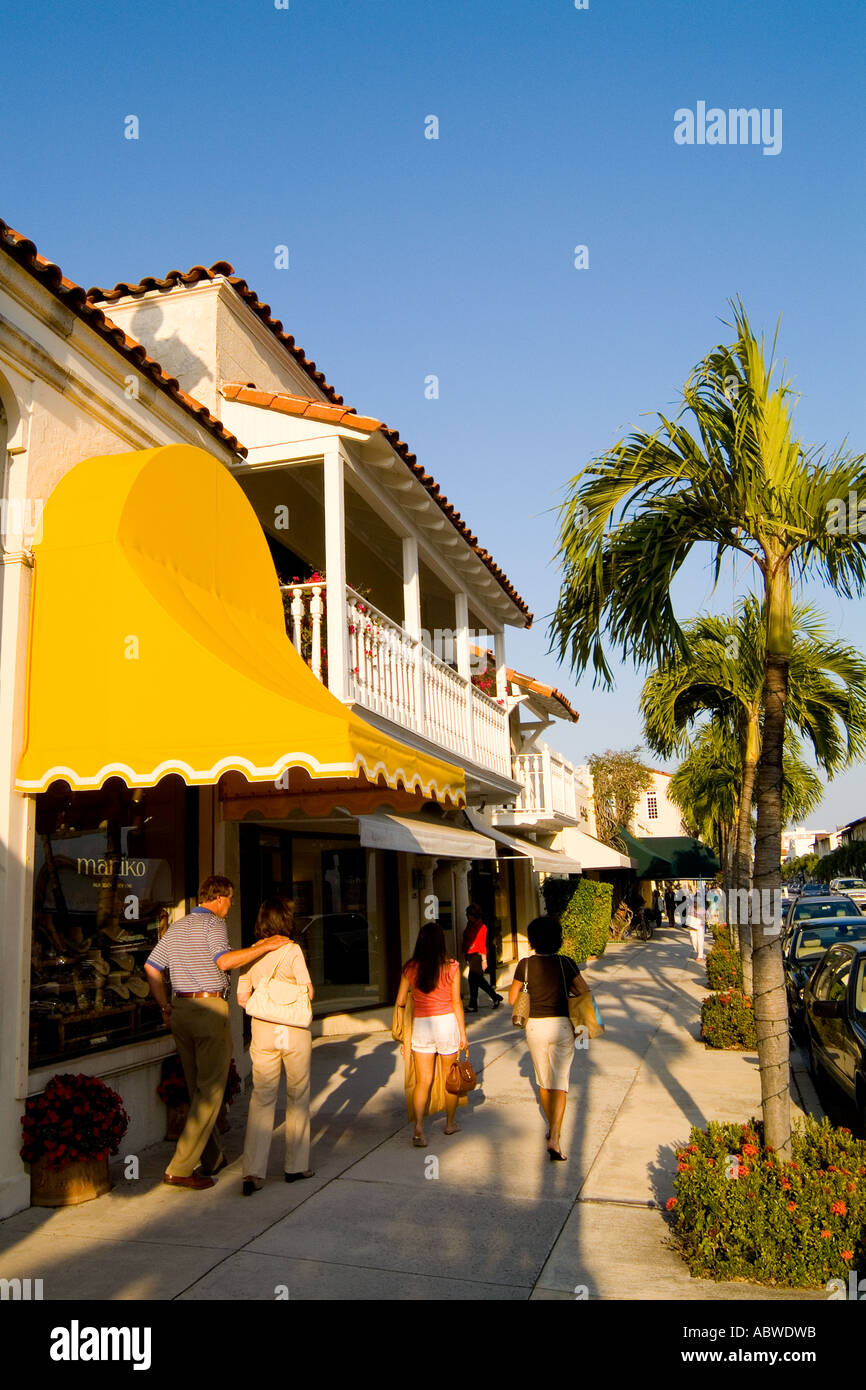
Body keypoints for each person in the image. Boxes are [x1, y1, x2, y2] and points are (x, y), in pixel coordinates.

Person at [144, 875, 291, 1190]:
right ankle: (180, 1168)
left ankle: (212, 1159)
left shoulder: (179, 926)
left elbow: (151, 967)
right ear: (220, 898)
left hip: (180, 1009)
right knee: (211, 1090)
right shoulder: (213, 925)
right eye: (231, 899)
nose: (232, 905)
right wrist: (263, 946)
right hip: (208, 1009)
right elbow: (224, 961)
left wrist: (163, 1006)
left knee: (199, 1087)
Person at [237, 897, 314, 1195]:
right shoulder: (293, 950)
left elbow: (243, 997)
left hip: (264, 1030)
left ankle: (253, 1172)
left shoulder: (253, 952)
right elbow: (308, 990)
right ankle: (295, 1166)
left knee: (262, 1097)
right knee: (298, 1096)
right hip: (293, 1030)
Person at [507, 915, 590, 1161]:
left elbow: (512, 999)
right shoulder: (567, 963)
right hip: (562, 1026)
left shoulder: (525, 965)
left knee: (543, 1082)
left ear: (532, 940)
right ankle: (555, 1135)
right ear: (558, 938)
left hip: (535, 1027)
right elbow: (583, 991)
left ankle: (550, 1127)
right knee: (560, 1082)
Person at [394, 922, 468, 1146]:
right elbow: (456, 1002)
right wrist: (463, 1034)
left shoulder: (410, 968)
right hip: (446, 1024)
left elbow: (399, 1002)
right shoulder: (452, 966)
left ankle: (418, 1127)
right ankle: (450, 1124)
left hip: (421, 1026)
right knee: (450, 1079)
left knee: (423, 1080)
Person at [462, 904, 503, 1011]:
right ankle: (487, 1000)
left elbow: (481, 944)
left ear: (473, 915)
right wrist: (466, 954)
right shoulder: (469, 925)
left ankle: (480, 1002)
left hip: (477, 955)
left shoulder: (482, 927)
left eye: (468, 914)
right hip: (470, 955)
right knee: (475, 980)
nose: (467, 916)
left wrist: (484, 960)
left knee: (476, 979)